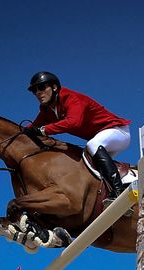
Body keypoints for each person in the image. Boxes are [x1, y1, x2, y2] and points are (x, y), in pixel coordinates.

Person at [26, 71, 130, 201]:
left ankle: (118, 192)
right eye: (34, 91)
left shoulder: (71, 98)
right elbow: (32, 128)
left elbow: (73, 123)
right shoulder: (47, 110)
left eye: (41, 88)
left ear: (54, 87)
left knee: (93, 145)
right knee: (85, 165)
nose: (38, 93)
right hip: (102, 138)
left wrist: (43, 130)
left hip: (118, 131)